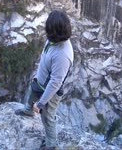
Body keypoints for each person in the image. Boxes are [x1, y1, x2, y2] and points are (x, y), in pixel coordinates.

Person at [15, 10, 74, 150]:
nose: (46, 32)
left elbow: (55, 83)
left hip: (50, 92)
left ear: (56, 32)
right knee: (32, 93)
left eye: (49, 29)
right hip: (40, 81)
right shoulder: (53, 40)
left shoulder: (63, 55)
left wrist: (41, 103)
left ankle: (51, 144)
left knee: (48, 118)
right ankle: (28, 110)